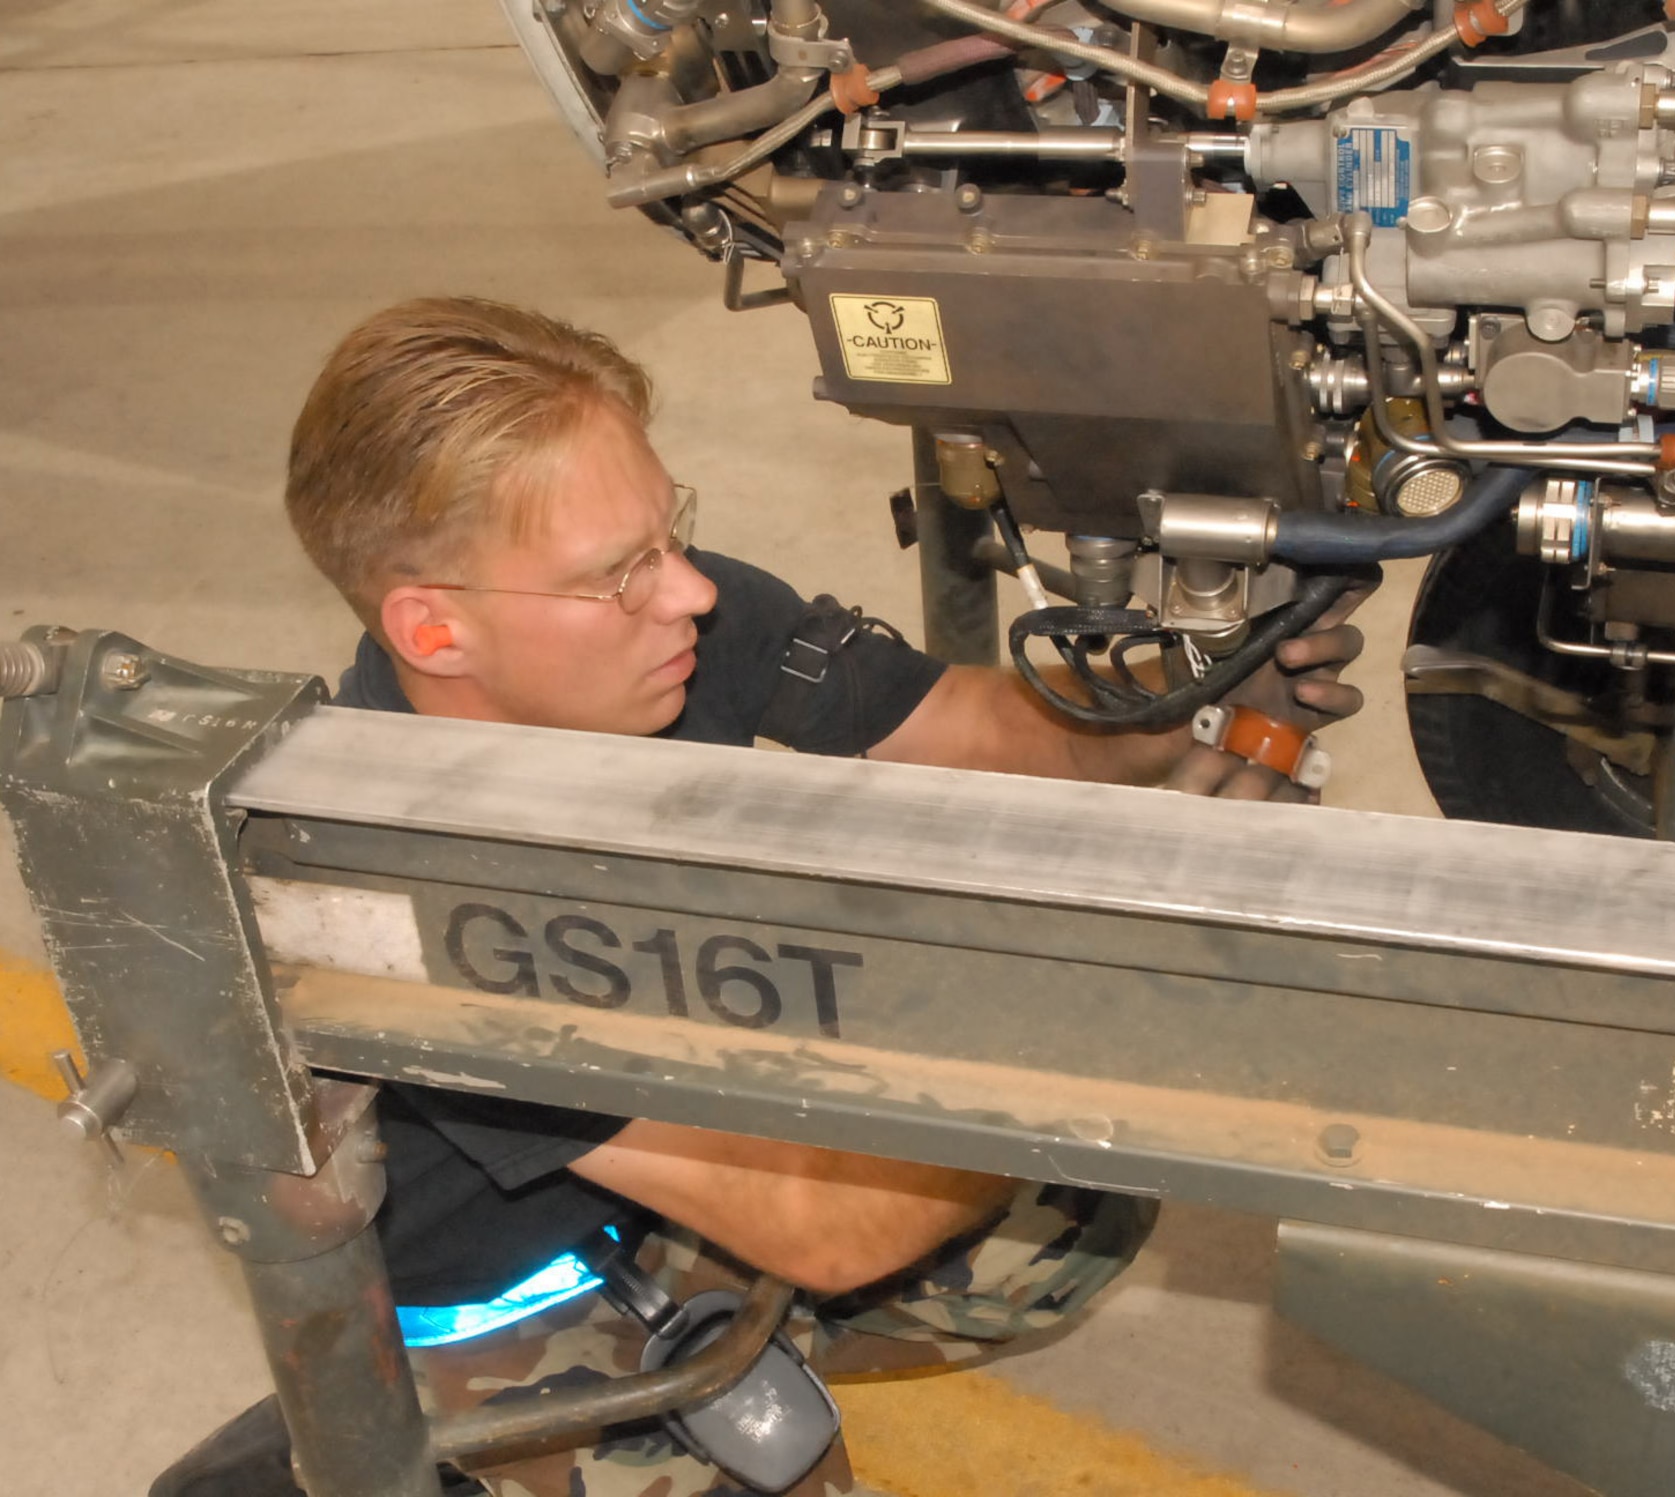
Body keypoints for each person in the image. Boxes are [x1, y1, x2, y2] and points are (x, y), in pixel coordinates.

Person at [273, 295, 1369, 1496]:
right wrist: (1140, 988)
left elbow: (965, 722)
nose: (687, 592)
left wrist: (1172, 695)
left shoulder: (673, 631)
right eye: (618, 574)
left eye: (669, 533)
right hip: (517, 1289)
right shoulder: (387, 902)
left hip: (677, 1104)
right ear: (433, 630)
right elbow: (833, 1229)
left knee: (1068, 1212)